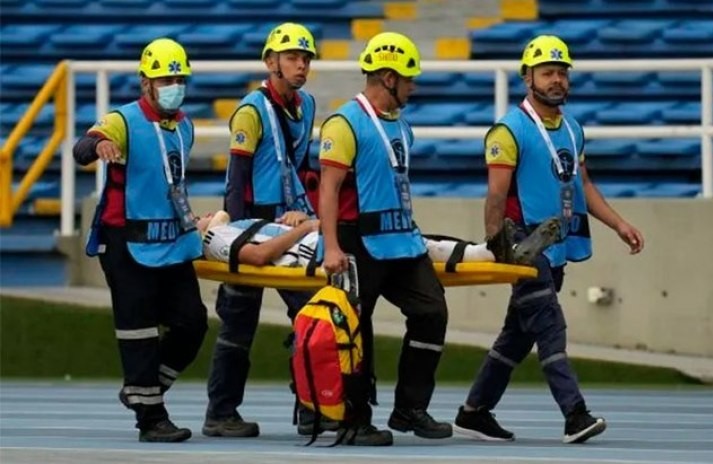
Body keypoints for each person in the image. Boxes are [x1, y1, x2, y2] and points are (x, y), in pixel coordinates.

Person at [452, 35, 645, 444]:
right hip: (524, 247)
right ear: (528, 78)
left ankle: (474, 412)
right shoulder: (509, 130)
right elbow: (496, 197)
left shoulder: (573, 128)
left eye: (562, 72)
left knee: (516, 337)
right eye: (547, 72)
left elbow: (584, 184)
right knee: (549, 324)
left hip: (555, 246)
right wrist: (497, 246)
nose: (557, 79)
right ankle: (575, 414)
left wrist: (618, 223)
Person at [317, 31, 460, 446]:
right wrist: (331, 246)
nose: (413, 85)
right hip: (356, 240)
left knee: (431, 311)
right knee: (354, 331)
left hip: (401, 240)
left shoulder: (402, 127)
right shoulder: (345, 123)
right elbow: (327, 190)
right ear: (386, 77)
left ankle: (409, 408)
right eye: (408, 78)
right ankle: (354, 419)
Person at [72, 38, 208, 443]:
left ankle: (143, 389)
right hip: (125, 243)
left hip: (173, 243)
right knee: (139, 330)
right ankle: (151, 417)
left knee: (193, 324)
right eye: (166, 78)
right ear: (146, 82)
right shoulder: (123, 121)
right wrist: (100, 144)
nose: (174, 85)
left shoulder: (185, 125)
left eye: (179, 78)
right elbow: (82, 148)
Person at [203, 22, 322, 438]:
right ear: (271, 62)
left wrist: (304, 214)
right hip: (252, 226)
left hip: (289, 227)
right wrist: (236, 238)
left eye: (305, 59)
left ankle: (311, 407)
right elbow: (236, 182)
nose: (301, 65)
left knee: (312, 313)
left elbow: (305, 170)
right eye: (292, 57)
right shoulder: (250, 111)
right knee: (237, 326)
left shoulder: (307, 105)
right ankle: (220, 413)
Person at [197, 210, 561, 268]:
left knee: (412, 238)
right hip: (317, 248)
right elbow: (258, 258)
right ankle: (493, 254)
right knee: (411, 243)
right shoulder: (214, 237)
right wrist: (304, 228)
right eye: (196, 219)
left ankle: (493, 252)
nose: (201, 215)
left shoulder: (241, 222)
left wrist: (298, 218)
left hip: (317, 235)